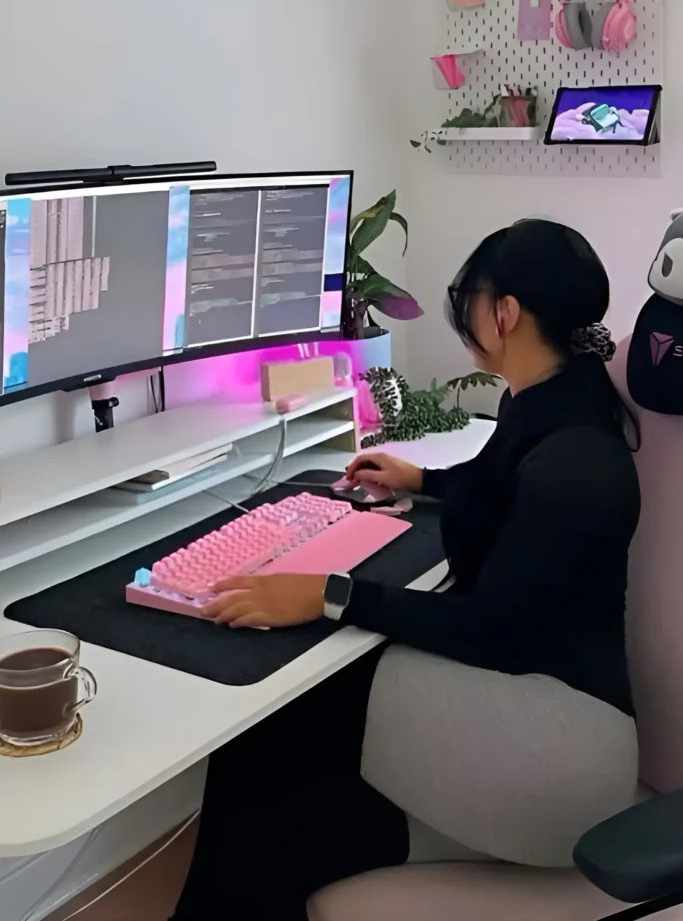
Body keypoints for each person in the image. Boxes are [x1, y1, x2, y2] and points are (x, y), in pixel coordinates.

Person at [171, 219, 641, 921]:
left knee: (288, 712)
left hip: (558, 743)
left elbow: (490, 628)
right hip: (525, 685)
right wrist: (418, 476)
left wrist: (331, 595)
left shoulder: (576, 458)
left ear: (503, 313)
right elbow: (502, 485)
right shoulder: (551, 394)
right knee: (272, 793)